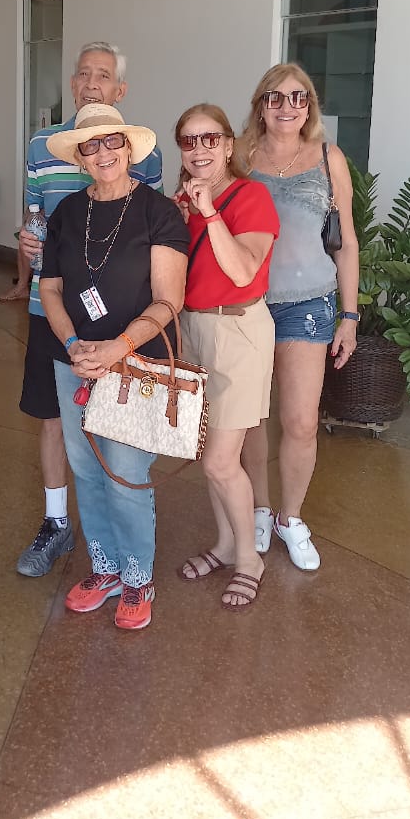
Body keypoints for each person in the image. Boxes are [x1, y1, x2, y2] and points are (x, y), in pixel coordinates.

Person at [15, 43, 163, 578]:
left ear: (120, 90)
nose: (91, 83)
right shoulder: (41, 148)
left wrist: (126, 338)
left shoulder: (148, 170)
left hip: (126, 326)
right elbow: (33, 218)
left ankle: (133, 556)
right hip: (56, 316)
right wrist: (27, 242)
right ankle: (62, 526)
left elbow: (152, 245)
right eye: (83, 74)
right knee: (62, 426)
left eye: (103, 76)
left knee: (122, 449)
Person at [39, 104, 189, 630]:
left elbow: (169, 300)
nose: (103, 152)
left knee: (124, 474)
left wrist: (116, 348)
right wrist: (74, 344)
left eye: (112, 142)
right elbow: (50, 288)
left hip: (136, 366)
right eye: (91, 145)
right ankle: (105, 570)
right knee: (86, 470)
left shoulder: (158, 212)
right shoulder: (66, 213)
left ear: (128, 148)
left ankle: (138, 577)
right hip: (75, 363)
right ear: (80, 156)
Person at [241, 64, 359, 571]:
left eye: (298, 98)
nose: (287, 107)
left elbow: (346, 242)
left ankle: (290, 518)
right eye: (276, 97)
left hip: (308, 304)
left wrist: (349, 316)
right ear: (261, 106)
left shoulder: (330, 159)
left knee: (301, 421)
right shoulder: (240, 157)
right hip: (247, 303)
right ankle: (258, 509)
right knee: (250, 418)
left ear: (309, 106)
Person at [173, 104, 279, 610]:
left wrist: (210, 213)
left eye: (210, 139)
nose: (200, 150)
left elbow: (241, 272)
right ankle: (224, 543)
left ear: (229, 145)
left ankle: (249, 559)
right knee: (207, 454)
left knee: (221, 460)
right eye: (189, 141)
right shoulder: (182, 204)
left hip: (237, 331)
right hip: (194, 328)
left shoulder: (251, 197)